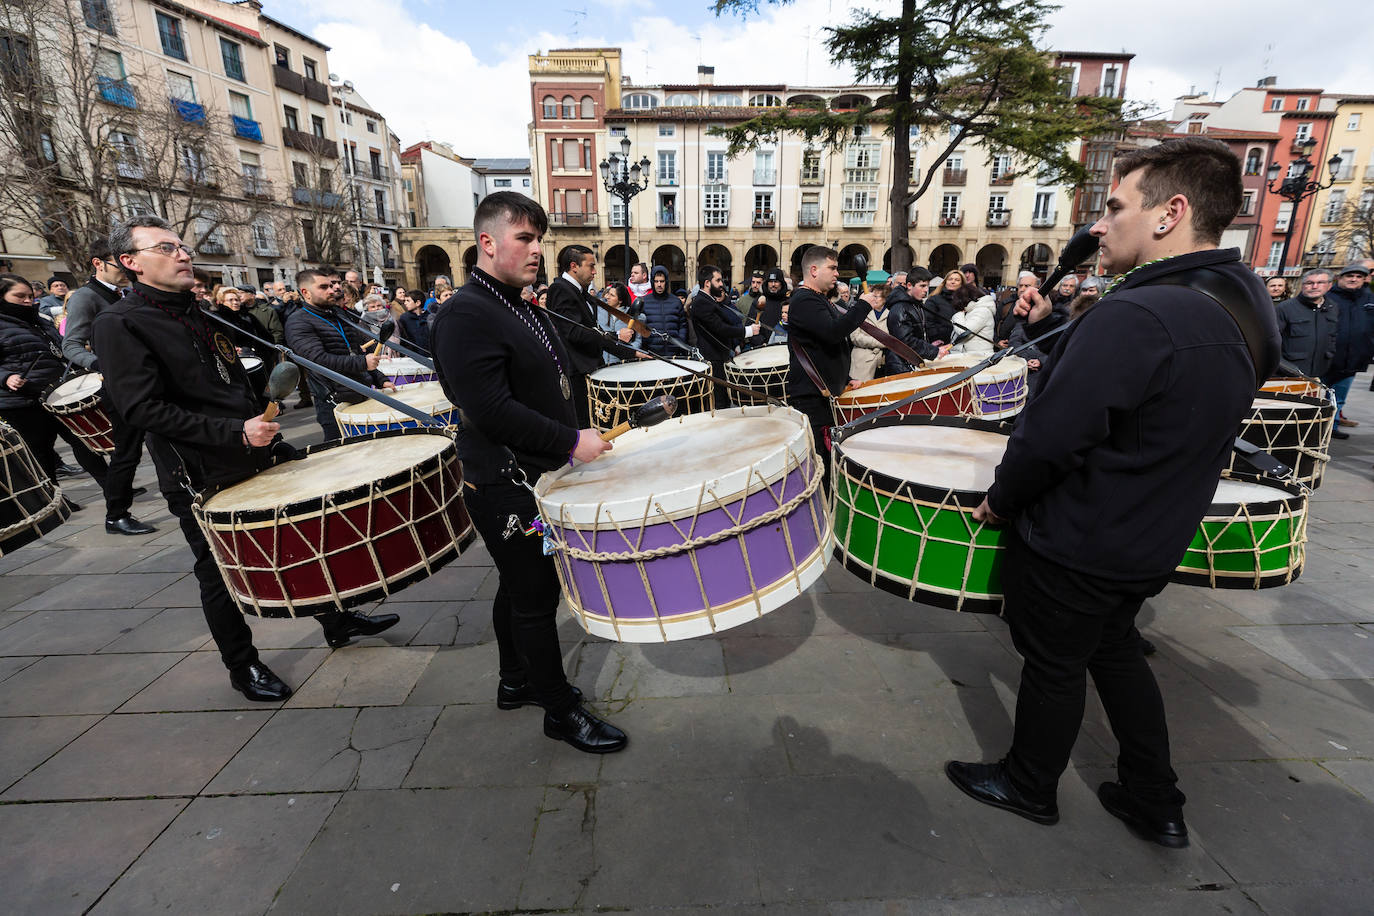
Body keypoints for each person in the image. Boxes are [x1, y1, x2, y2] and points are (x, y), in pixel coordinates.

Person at [946, 137, 1279, 850]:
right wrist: (1054, 331)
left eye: (1118, 207)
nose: (1100, 224)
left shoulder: (1137, 313)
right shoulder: (1243, 299)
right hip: (1153, 533)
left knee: (1055, 663)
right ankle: (1154, 799)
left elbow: (1053, 438)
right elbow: (1155, 395)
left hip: (1083, 534)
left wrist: (1003, 499)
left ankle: (1029, 784)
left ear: (1172, 213)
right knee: (1116, 653)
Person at [92, 217, 399, 702]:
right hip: (198, 470)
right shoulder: (119, 323)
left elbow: (224, 380)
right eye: (165, 248)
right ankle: (243, 665)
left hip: (255, 447)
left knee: (300, 533)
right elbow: (140, 408)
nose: (182, 253)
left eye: (181, 245)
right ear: (131, 263)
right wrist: (235, 431)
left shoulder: (195, 311)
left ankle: (336, 620)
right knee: (216, 571)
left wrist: (260, 415)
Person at [429, 191, 627, 754]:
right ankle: (559, 710)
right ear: (487, 243)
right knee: (537, 596)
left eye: (540, 238)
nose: (538, 249)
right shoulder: (466, 313)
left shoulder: (516, 302)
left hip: (535, 473)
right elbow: (489, 408)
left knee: (517, 585)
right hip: (505, 485)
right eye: (525, 238)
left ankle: (514, 679)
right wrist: (569, 440)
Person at [58, 236, 157, 535]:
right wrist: (101, 364)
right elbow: (71, 345)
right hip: (121, 387)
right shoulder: (85, 298)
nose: (126, 269)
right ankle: (116, 515)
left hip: (149, 379)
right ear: (98, 264)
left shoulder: (130, 293)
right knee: (127, 453)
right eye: (118, 263)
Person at [0, 273, 111, 496]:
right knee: (41, 454)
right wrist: (5, 377)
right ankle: (55, 498)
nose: (27, 300)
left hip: (56, 395)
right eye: (19, 296)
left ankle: (115, 492)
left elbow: (59, 349)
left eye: (30, 296)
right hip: (22, 402)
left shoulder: (39, 320)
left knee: (85, 446)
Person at [785, 246, 870, 488]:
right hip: (812, 398)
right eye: (832, 268)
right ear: (814, 270)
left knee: (830, 460)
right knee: (821, 465)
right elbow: (833, 334)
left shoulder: (817, 299)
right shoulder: (804, 301)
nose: (836, 274)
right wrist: (862, 306)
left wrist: (845, 378)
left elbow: (823, 349)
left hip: (825, 393)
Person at [284, 268, 395, 441]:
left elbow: (357, 352)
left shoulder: (337, 315)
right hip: (334, 403)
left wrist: (380, 379)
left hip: (361, 393)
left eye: (331, 285)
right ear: (305, 292)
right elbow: (318, 360)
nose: (332, 290)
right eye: (323, 287)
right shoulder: (298, 322)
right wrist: (362, 363)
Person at [545, 245, 639, 427]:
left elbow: (592, 331)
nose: (595, 272)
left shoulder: (579, 292)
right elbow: (574, 333)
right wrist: (617, 335)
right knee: (586, 426)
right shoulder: (560, 289)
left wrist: (630, 353)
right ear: (574, 266)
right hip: (577, 373)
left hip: (589, 369)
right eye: (591, 266)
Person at [1320, 264, 1374, 432]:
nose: (1354, 279)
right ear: (1340, 278)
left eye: (1359, 277)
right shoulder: (1327, 297)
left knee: (1339, 398)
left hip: (1353, 359)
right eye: (1350, 276)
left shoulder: (1369, 298)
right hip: (1325, 358)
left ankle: (1331, 429)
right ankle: (1313, 428)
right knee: (1316, 396)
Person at [687, 265, 761, 386]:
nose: (722, 284)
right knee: (719, 400)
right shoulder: (702, 302)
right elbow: (720, 328)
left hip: (719, 357)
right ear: (707, 283)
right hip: (713, 359)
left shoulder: (708, 300)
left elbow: (727, 322)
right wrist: (748, 331)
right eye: (718, 280)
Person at [1274, 269, 1338, 382]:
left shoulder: (1333, 308)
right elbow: (1271, 342)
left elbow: (1333, 337)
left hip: (1319, 374)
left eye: (1320, 283)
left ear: (1329, 286)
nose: (1315, 286)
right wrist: (1286, 367)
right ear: (1302, 285)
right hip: (1288, 374)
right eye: (1309, 283)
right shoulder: (1285, 308)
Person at [635, 265, 687, 356]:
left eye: (662, 281)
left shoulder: (676, 302)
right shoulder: (644, 301)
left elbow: (683, 325)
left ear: (666, 282)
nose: (659, 284)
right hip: (651, 353)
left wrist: (680, 342)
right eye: (656, 281)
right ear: (652, 282)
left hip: (674, 353)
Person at [848, 285, 892, 381]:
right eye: (872, 296)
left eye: (876, 297)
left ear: (885, 299)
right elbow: (855, 337)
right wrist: (881, 342)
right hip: (862, 361)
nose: (873, 299)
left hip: (883, 362)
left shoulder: (891, 315)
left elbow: (892, 338)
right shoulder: (861, 312)